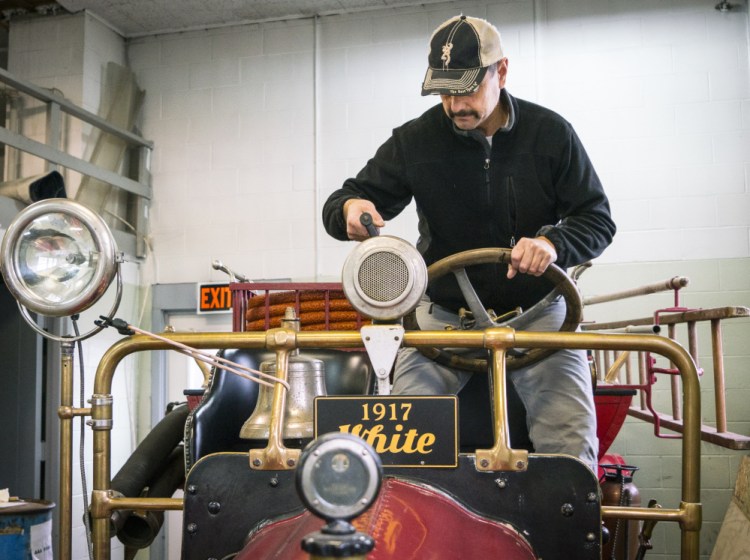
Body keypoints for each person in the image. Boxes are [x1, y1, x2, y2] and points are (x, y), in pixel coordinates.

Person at [322, 14, 616, 470]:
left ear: (501, 72)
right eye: (444, 90)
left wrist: (553, 244)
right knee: (401, 440)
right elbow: (343, 200)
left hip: (539, 318)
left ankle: (563, 531)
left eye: (466, 88)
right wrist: (349, 212)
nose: (454, 103)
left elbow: (597, 220)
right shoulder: (415, 142)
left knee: (571, 447)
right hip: (445, 321)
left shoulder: (551, 134)